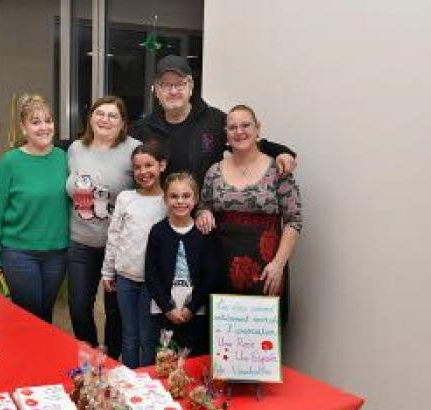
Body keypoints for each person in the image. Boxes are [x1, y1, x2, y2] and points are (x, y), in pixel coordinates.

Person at [196, 105, 302, 323]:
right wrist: (203, 213)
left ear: (258, 129)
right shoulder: (214, 171)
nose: (239, 131)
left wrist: (279, 264)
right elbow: (203, 206)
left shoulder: (278, 170)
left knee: (262, 345)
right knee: (224, 344)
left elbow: (293, 221)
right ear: (226, 134)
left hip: (267, 270)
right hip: (220, 269)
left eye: (245, 125)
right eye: (232, 127)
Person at [129, 54, 297, 186]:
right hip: (157, 219)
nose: (173, 91)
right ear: (156, 90)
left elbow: (247, 142)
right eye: (165, 85)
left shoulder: (215, 120)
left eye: (179, 84)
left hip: (206, 219)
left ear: (191, 86)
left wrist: (281, 152)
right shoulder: (141, 129)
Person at [66, 96, 141, 359]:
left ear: (123, 123)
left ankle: (110, 358)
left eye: (112, 115)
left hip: (118, 246)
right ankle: (88, 353)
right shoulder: (76, 149)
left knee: (115, 310)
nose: (105, 119)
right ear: (91, 118)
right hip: (80, 242)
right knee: (78, 307)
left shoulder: (134, 150)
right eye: (100, 113)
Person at [0, 94, 69, 323]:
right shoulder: (10, 162)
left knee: (46, 315)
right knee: (30, 317)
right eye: (36, 121)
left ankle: (42, 358)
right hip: (19, 253)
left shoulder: (63, 158)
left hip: (57, 252)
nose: (44, 127)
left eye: (48, 120)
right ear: (24, 128)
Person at [101, 145, 166, 368]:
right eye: (137, 167)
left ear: (162, 166)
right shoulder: (125, 198)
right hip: (125, 278)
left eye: (149, 165)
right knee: (129, 336)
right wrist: (108, 271)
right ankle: (130, 380)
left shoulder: (169, 201)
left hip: (154, 282)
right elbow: (114, 236)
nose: (143, 171)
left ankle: (146, 382)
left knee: (149, 338)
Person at [145, 172, 218, 355]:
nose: (180, 201)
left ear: (196, 199)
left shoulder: (204, 233)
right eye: (174, 196)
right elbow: (151, 274)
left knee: (193, 361)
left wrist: (191, 309)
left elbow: (210, 276)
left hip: (195, 313)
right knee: (165, 361)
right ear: (165, 199)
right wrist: (167, 308)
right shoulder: (158, 232)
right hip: (164, 313)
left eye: (186, 196)